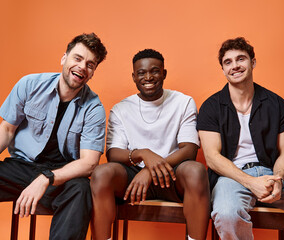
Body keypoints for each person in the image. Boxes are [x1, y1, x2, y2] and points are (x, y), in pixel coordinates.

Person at [0, 33, 107, 240]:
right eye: (77, 58)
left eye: (90, 64)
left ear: (92, 73)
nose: (83, 66)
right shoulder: (30, 84)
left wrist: (47, 178)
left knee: (81, 190)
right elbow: (7, 129)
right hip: (21, 168)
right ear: (64, 58)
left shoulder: (94, 109)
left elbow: (89, 163)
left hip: (60, 177)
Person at [197, 37, 284, 239]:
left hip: (272, 175)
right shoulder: (211, 106)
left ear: (253, 62)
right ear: (223, 69)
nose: (235, 66)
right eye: (228, 62)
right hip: (231, 178)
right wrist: (249, 182)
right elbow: (212, 157)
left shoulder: (276, 103)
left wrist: (278, 180)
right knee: (227, 214)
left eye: (241, 59)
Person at [90, 49, 210, 240]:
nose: (148, 77)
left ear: (164, 73)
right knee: (101, 173)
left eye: (155, 71)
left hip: (172, 174)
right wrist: (143, 154)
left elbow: (189, 150)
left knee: (196, 170)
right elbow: (113, 154)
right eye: (141, 73)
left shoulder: (183, 102)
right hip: (132, 179)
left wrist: (150, 170)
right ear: (133, 77)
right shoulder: (121, 109)